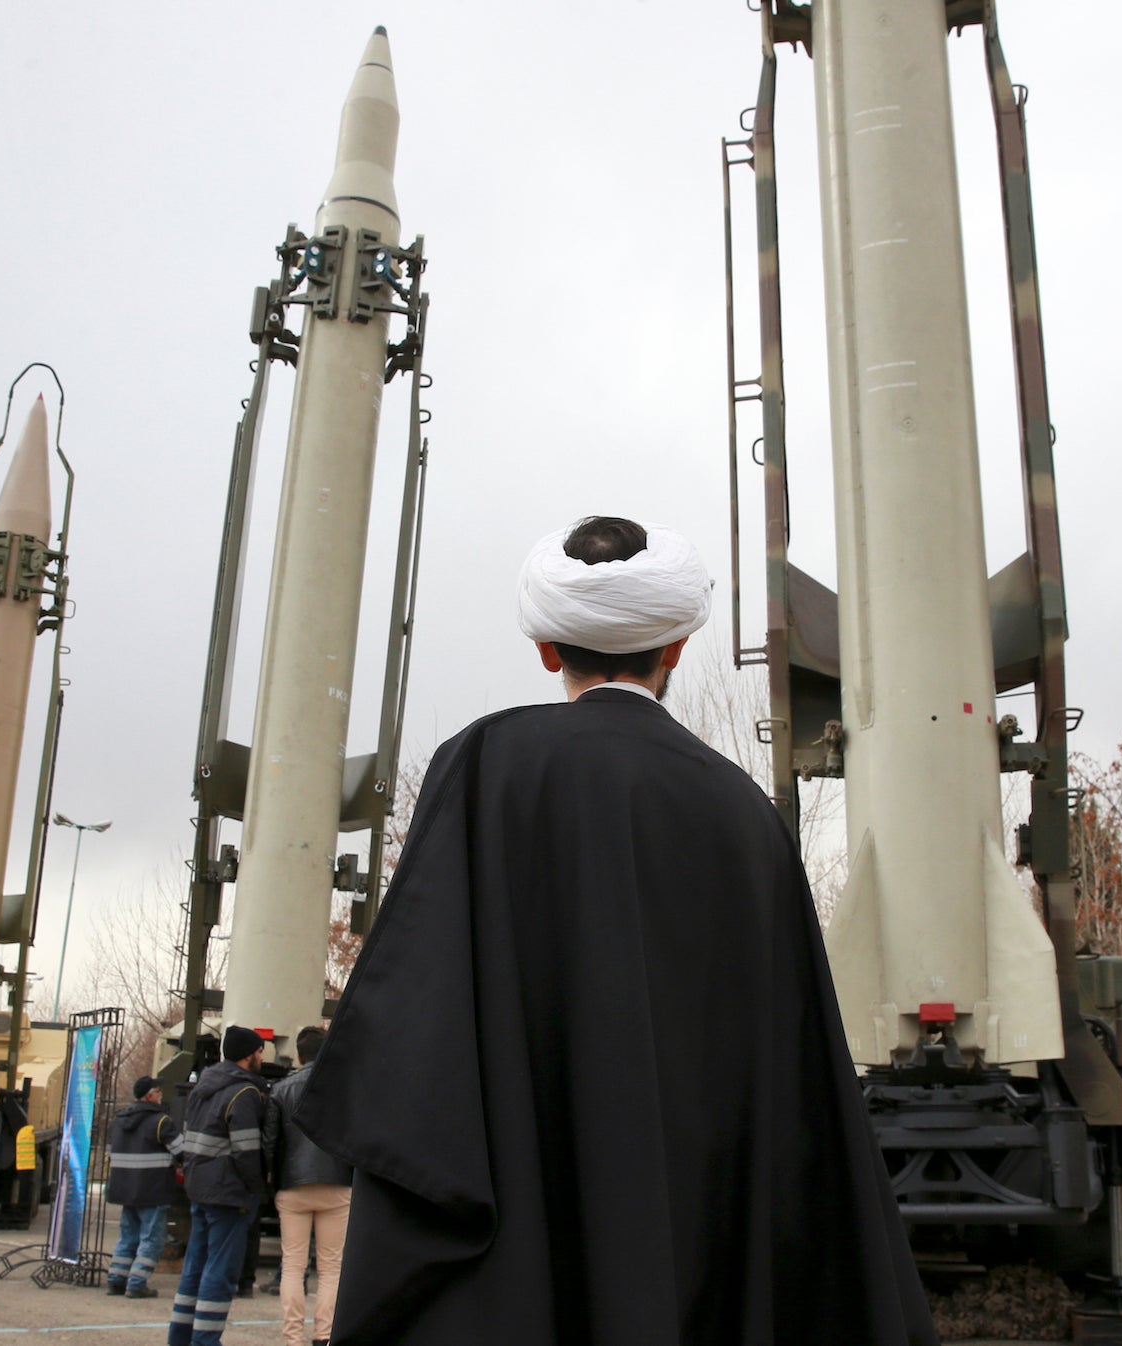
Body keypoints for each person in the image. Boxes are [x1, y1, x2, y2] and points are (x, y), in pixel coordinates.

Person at [297, 516, 940, 1346]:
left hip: (522, 1234)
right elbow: (793, 1082)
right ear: (676, 648)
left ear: (546, 649)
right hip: (701, 1239)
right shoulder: (746, 813)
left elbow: (420, 1015)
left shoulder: (487, 765)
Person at [169, 1025, 267, 1346]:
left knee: (194, 1268)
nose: (262, 1056)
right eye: (260, 1051)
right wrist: (257, 1189)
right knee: (220, 1273)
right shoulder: (244, 1093)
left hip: (200, 1189)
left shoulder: (204, 1087)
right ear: (249, 1055)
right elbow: (247, 1150)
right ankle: (206, 1341)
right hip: (228, 1192)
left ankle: (180, 1338)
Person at [263, 1027, 350, 1346]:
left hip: (293, 1186)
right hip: (337, 1183)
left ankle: (293, 1337)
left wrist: (273, 1185)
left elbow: (270, 1144)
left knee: (293, 1265)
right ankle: (324, 1335)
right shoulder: (344, 1088)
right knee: (331, 1267)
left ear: (299, 1054)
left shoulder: (281, 1090)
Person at [106, 1074, 182, 1299]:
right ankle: (137, 1282)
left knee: (127, 1236)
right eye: (158, 1092)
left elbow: (112, 1152)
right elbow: (182, 1151)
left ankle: (116, 1279)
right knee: (152, 1239)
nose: (161, 1097)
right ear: (150, 1096)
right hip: (153, 1189)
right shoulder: (161, 1121)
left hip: (125, 1189)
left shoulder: (119, 1120)